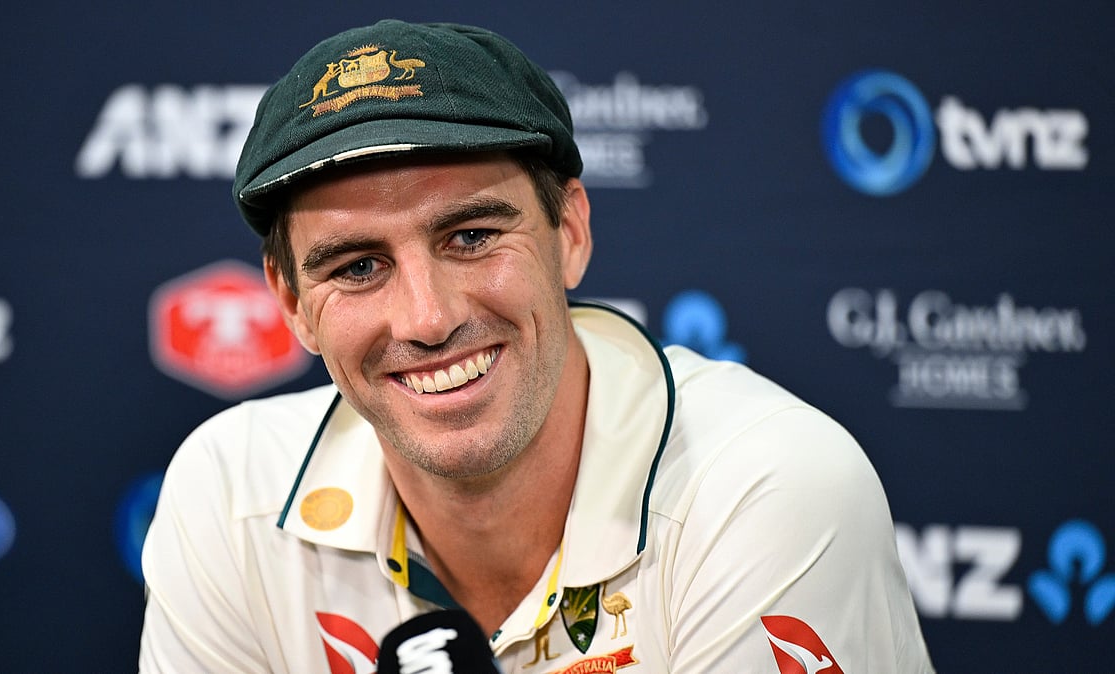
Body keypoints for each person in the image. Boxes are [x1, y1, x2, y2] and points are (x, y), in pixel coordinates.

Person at [139, 19, 934, 673]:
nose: (425, 317)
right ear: (293, 304)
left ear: (571, 232)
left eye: (472, 236)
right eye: (359, 266)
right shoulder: (231, 497)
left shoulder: (761, 488)